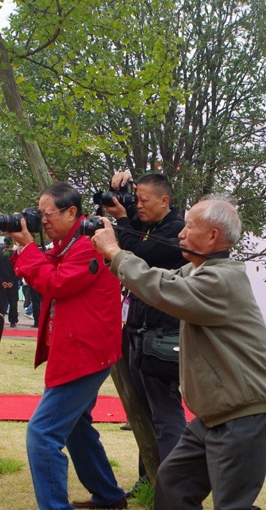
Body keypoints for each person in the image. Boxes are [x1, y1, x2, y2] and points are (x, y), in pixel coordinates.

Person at [90, 196, 266, 510]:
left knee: (233, 506)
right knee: (172, 483)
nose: (181, 232)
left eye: (188, 226)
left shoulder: (221, 280)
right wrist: (123, 239)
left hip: (246, 412)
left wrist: (115, 251)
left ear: (213, 236)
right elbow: (161, 275)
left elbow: (165, 290)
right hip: (217, 413)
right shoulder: (203, 268)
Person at [10, 182, 126, 510]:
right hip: (87, 348)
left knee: (42, 432)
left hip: (85, 352)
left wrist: (29, 248)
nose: (42, 220)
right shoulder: (74, 241)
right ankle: (107, 493)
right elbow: (50, 271)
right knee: (76, 426)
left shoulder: (89, 244)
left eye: (47, 214)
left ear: (72, 212)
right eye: (40, 214)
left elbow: (57, 283)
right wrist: (31, 250)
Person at [104, 171, 187, 492]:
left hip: (164, 335)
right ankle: (149, 479)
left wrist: (121, 222)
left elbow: (135, 256)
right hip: (138, 329)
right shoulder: (148, 226)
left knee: (165, 413)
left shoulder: (176, 232)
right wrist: (121, 197)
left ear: (165, 201)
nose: (137, 205)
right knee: (143, 409)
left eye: (143, 200)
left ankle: (175, 489)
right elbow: (134, 241)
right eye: (135, 199)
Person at [0, 237, 20, 328]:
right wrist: (12, 281)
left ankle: (0, 320)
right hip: (12, 282)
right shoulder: (15, 255)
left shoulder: (0, 255)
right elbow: (17, 270)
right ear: (12, 244)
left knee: (1, 301)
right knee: (13, 302)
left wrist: (2, 281)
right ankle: (13, 321)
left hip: (2, 282)